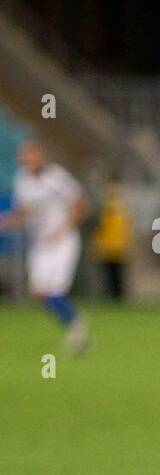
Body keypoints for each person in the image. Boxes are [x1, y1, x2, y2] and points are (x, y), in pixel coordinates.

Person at [0, 139, 91, 353]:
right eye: (25, 155)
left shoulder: (56, 178)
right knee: (39, 292)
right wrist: (6, 222)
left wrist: (63, 230)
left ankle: (76, 330)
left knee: (55, 289)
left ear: (40, 155)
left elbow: (80, 203)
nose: (28, 159)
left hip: (62, 241)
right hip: (40, 242)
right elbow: (23, 211)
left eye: (31, 154)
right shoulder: (23, 180)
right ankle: (74, 319)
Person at [93, 179, 132, 301]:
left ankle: (115, 297)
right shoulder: (119, 211)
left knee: (113, 275)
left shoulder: (108, 211)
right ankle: (115, 297)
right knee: (114, 275)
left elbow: (101, 229)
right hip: (113, 247)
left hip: (112, 247)